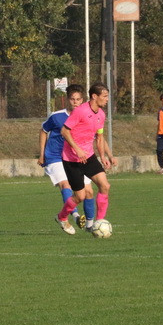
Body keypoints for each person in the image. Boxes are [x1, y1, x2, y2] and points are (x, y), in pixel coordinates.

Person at [58, 83, 117, 234]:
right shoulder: (80, 111)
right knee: (80, 196)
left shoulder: (101, 114)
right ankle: (62, 217)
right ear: (94, 96)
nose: (107, 99)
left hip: (89, 156)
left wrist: (103, 156)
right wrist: (77, 149)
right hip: (71, 159)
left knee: (105, 186)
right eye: (105, 96)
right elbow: (64, 131)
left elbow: (99, 137)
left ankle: (99, 222)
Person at [39, 84, 95, 232]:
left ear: (82, 100)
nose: (75, 102)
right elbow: (43, 131)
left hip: (75, 158)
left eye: (78, 99)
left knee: (88, 191)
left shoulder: (85, 117)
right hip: (55, 157)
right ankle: (74, 216)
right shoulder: (56, 116)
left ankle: (90, 225)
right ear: (67, 99)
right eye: (72, 99)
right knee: (66, 185)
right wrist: (42, 154)